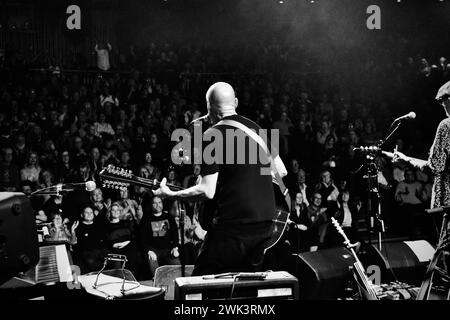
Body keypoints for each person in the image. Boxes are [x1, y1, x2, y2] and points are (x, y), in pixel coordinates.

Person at [154, 82, 287, 276]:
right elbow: (281, 171)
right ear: (236, 102)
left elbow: (207, 191)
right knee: (244, 284)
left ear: (209, 108)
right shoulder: (256, 128)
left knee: (201, 282)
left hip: (234, 227)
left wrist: (172, 194)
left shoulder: (210, 135)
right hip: (266, 224)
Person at [139, 196, 180, 277]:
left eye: (159, 202)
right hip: (153, 250)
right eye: (155, 203)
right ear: (151, 205)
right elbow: (141, 237)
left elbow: (175, 234)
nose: (157, 205)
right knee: (156, 274)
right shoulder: (146, 218)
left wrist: (175, 247)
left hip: (168, 249)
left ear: (162, 204)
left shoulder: (169, 217)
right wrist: (148, 251)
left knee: (178, 269)